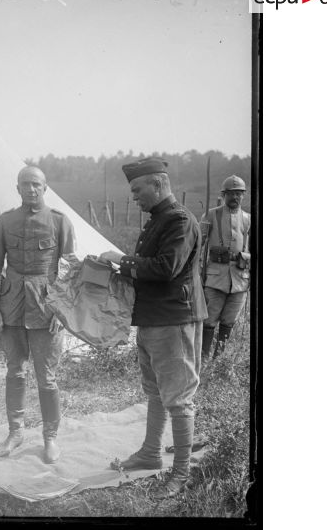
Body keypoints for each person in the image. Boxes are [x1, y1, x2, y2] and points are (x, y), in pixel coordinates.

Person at [99, 157, 207, 498]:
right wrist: (118, 271)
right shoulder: (159, 220)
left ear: (158, 185)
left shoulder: (178, 220)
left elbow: (165, 268)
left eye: (137, 189)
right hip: (154, 318)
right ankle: (150, 452)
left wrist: (121, 261)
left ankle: (181, 473)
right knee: (156, 390)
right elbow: (150, 270)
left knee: (178, 396)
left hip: (174, 319)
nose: (133, 197)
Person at [0, 166, 76, 464]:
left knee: (46, 378)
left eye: (36, 184)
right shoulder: (5, 221)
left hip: (46, 308)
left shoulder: (60, 222)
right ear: (17, 188)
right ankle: (15, 432)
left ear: (45, 187)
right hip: (11, 308)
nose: (31, 189)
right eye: (25, 184)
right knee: (15, 371)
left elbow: (71, 270)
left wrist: (60, 310)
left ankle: (50, 438)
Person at [200, 175, 251, 360]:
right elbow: (199, 245)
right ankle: (203, 360)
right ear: (224, 194)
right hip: (215, 278)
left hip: (240, 280)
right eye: (231, 193)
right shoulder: (210, 215)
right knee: (209, 320)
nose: (235, 197)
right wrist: (199, 273)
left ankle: (218, 362)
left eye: (239, 194)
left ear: (243, 196)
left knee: (229, 321)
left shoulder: (248, 219)